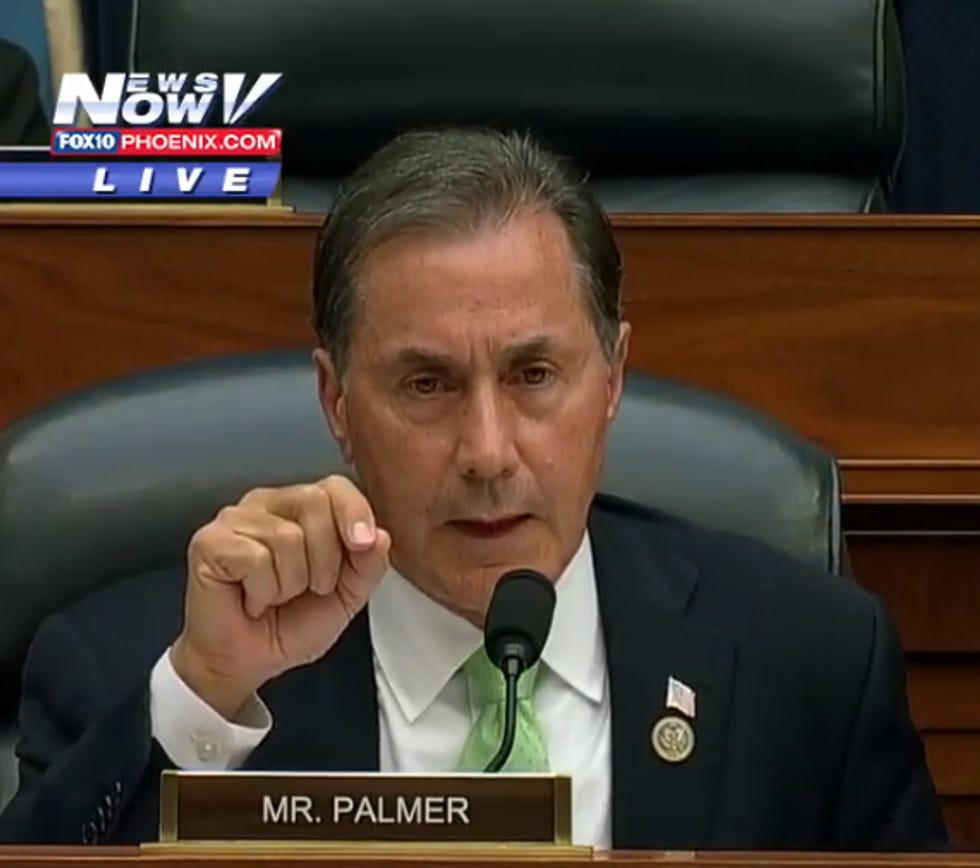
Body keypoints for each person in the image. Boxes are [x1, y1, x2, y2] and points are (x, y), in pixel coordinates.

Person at [0, 128, 947, 849]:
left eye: (534, 376)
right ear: (337, 402)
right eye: (427, 385)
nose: (488, 453)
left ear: (613, 379)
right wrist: (207, 696)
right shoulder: (141, 669)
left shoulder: (809, 665)